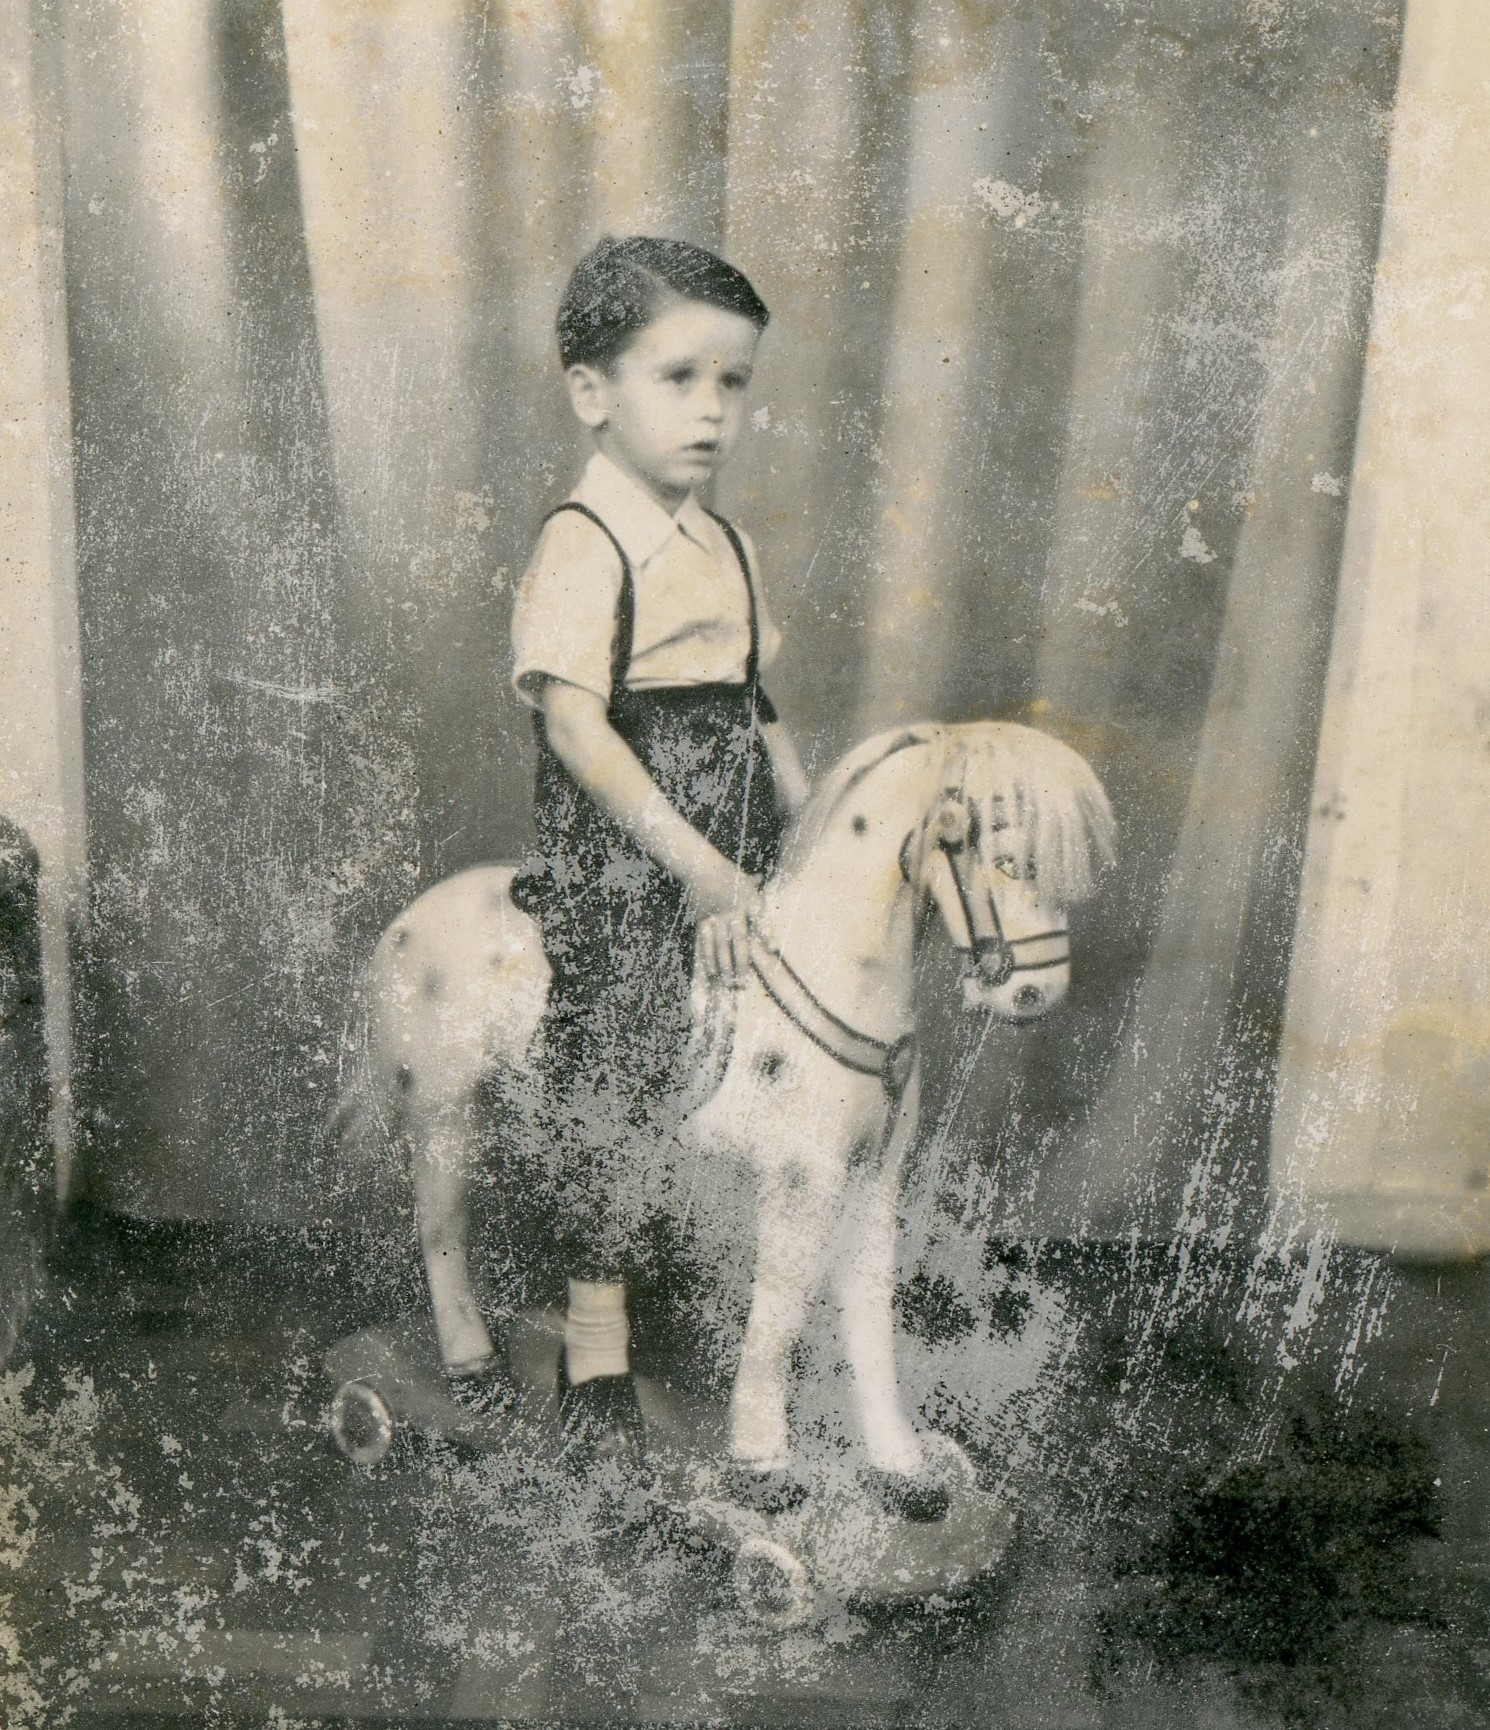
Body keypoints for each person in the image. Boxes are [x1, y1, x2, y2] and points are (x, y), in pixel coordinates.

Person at [508, 236, 809, 1469]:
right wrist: (692, 866)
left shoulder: (724, 543)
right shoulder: (585, 540)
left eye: (731, 382)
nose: (711, 410)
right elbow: (576, 727)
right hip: (628, 854)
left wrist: (803, 807)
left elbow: (751, 700)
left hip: (735, 834)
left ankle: (753, 1304)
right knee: (619, 1049)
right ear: (592, 391)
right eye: (678, 377)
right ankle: (594, 1341)